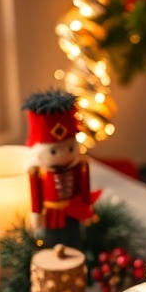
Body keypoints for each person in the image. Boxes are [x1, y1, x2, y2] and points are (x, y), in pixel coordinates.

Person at [22, 89, 97, 248]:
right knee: (52, 242)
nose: (64, 155)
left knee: (74, 239)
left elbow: (84, 187)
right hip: (52, 214)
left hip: (74, 209)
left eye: (70, 148)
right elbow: (36, 194)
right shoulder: (38, 172)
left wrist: (86, 207)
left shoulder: (80, 166)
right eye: (54, 151)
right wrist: (36, 213)